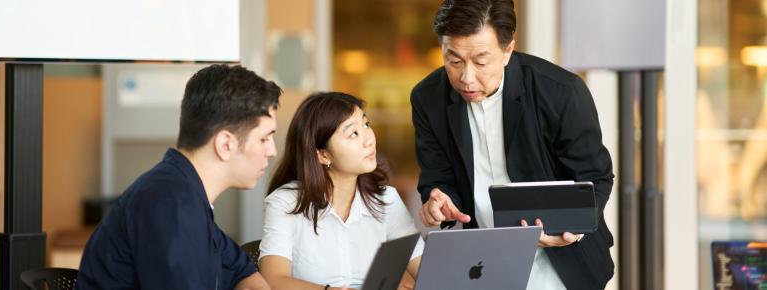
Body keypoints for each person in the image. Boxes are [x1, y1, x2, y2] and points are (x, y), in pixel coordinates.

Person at [412, 0, 615, 289]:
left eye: (481, 62)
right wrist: (438, 201)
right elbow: (438, 177)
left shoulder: (561, 92)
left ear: (508, 50)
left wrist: (573, 228)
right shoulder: (427, 98)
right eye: (453, 60)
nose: (466, 78)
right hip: (484, 262)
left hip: (563, 261)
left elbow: (595, 177)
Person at [78, 64, 281, 290]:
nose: (272, 151)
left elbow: (243, 272)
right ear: (225, 145)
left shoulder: (187, 196)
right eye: (264, 139)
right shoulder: (169, 205)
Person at [259, 92, 423, 290]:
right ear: (322, 154)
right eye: (353, 133)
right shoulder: (286, 202)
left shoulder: (386, 199)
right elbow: (273, 280)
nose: (369, 140)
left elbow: (424, 269)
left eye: (366, 125)